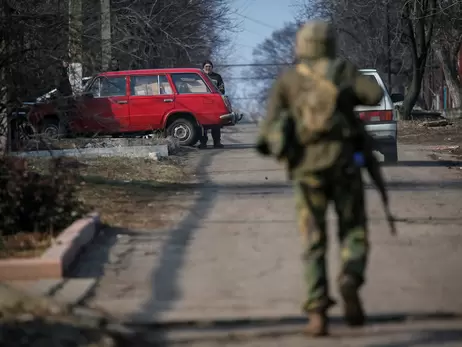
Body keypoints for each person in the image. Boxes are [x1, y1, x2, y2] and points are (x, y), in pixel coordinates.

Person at [256, 20, 393, 336]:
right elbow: (373, 95)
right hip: (345, 166)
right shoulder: (344, 70)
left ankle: (317, 313)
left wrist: (284, 144)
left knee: (313, 241)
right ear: (331, 44)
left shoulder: (289, 81)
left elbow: (265, 136)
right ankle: (351, 276)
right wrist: (345, 90)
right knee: (354, 230)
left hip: (307, 173)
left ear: (301, 46)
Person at [199, 60, 225, 149]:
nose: (208, 68)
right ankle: (203, 143)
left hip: (214, 104)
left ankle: (217, 142)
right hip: (202, 104)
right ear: (203, 68)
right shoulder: (199, 77)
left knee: (216, 124)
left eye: (209, 66)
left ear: (212, 67)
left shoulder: (217, 77)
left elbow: (222, 90)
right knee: (202, 125)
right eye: (206, 67)